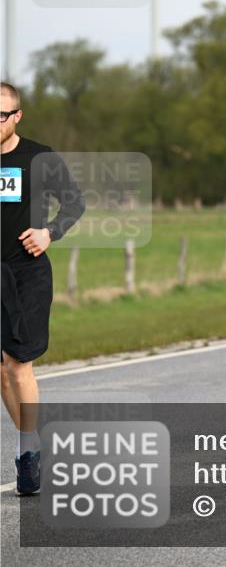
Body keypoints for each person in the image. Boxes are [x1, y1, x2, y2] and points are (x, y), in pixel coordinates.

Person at [1, 82, 85, 495]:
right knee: (0, 370)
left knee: (18, 364)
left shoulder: (39, 157)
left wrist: (50, 232)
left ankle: (28, 455)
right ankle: (29, 446)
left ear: (17, 117)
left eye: (1, 116)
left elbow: (74, 202)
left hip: (28, 272)